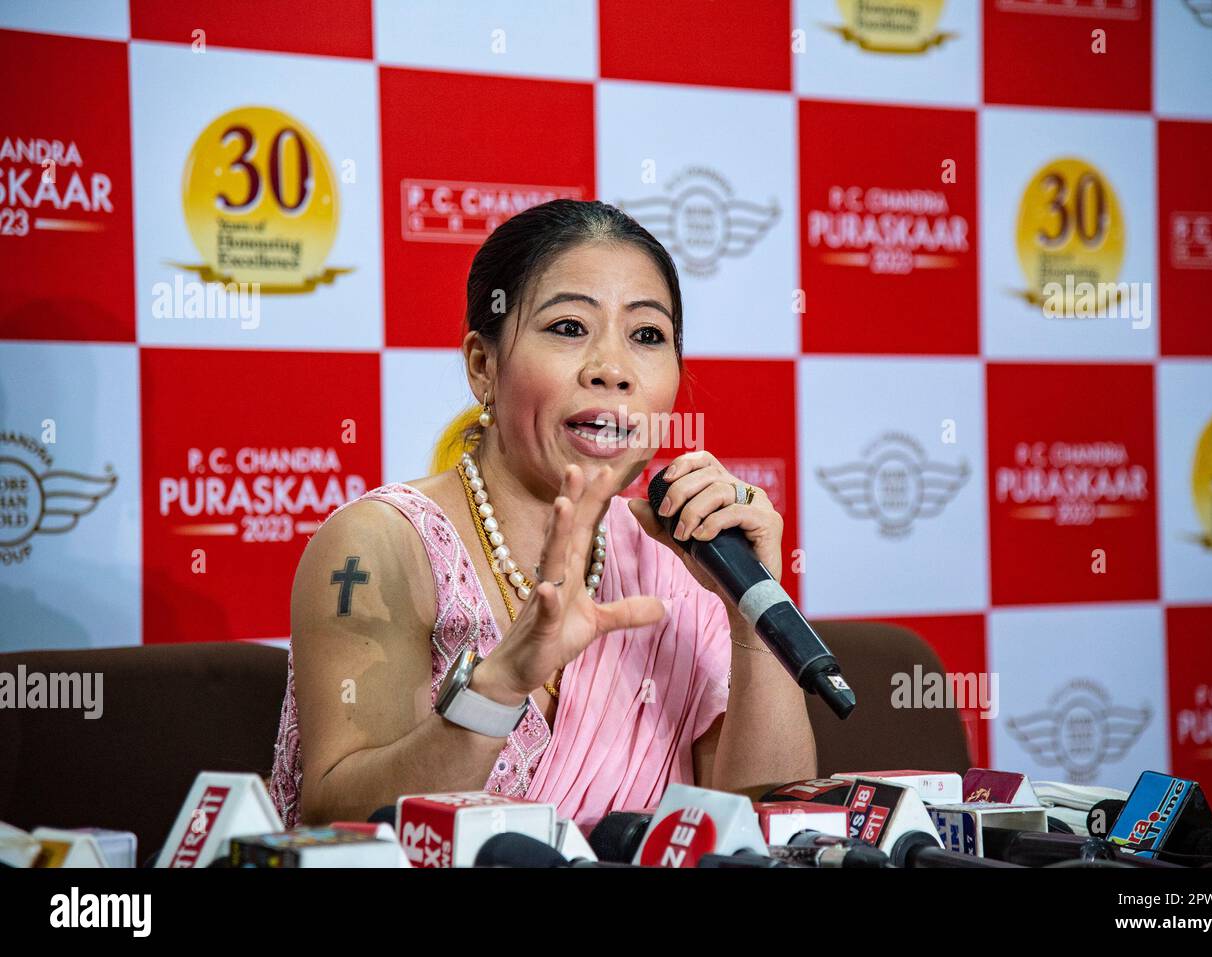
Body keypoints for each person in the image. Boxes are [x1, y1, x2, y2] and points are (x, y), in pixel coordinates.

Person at [269, 198, 816, 832]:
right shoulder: (378, 547)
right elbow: (337, 815)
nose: (612, 370)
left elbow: (766, 822)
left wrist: (752, 611)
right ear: (483, 366)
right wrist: (497, 689)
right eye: (568, 327)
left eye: (647, 336)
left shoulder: (677, 560)